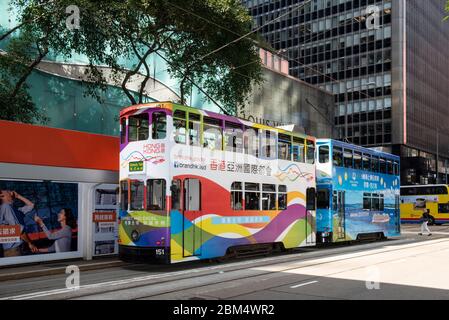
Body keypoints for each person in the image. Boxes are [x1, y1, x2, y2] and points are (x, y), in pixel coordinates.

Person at [0, 190, 38, 257]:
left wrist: (18, 196)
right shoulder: (6, 207)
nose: (11, 192)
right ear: (2, 196)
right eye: (8, 191)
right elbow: (19, 230)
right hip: (13, 249)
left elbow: (31, 205)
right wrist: (30, 243)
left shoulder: (14, 209)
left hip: (16, 248)